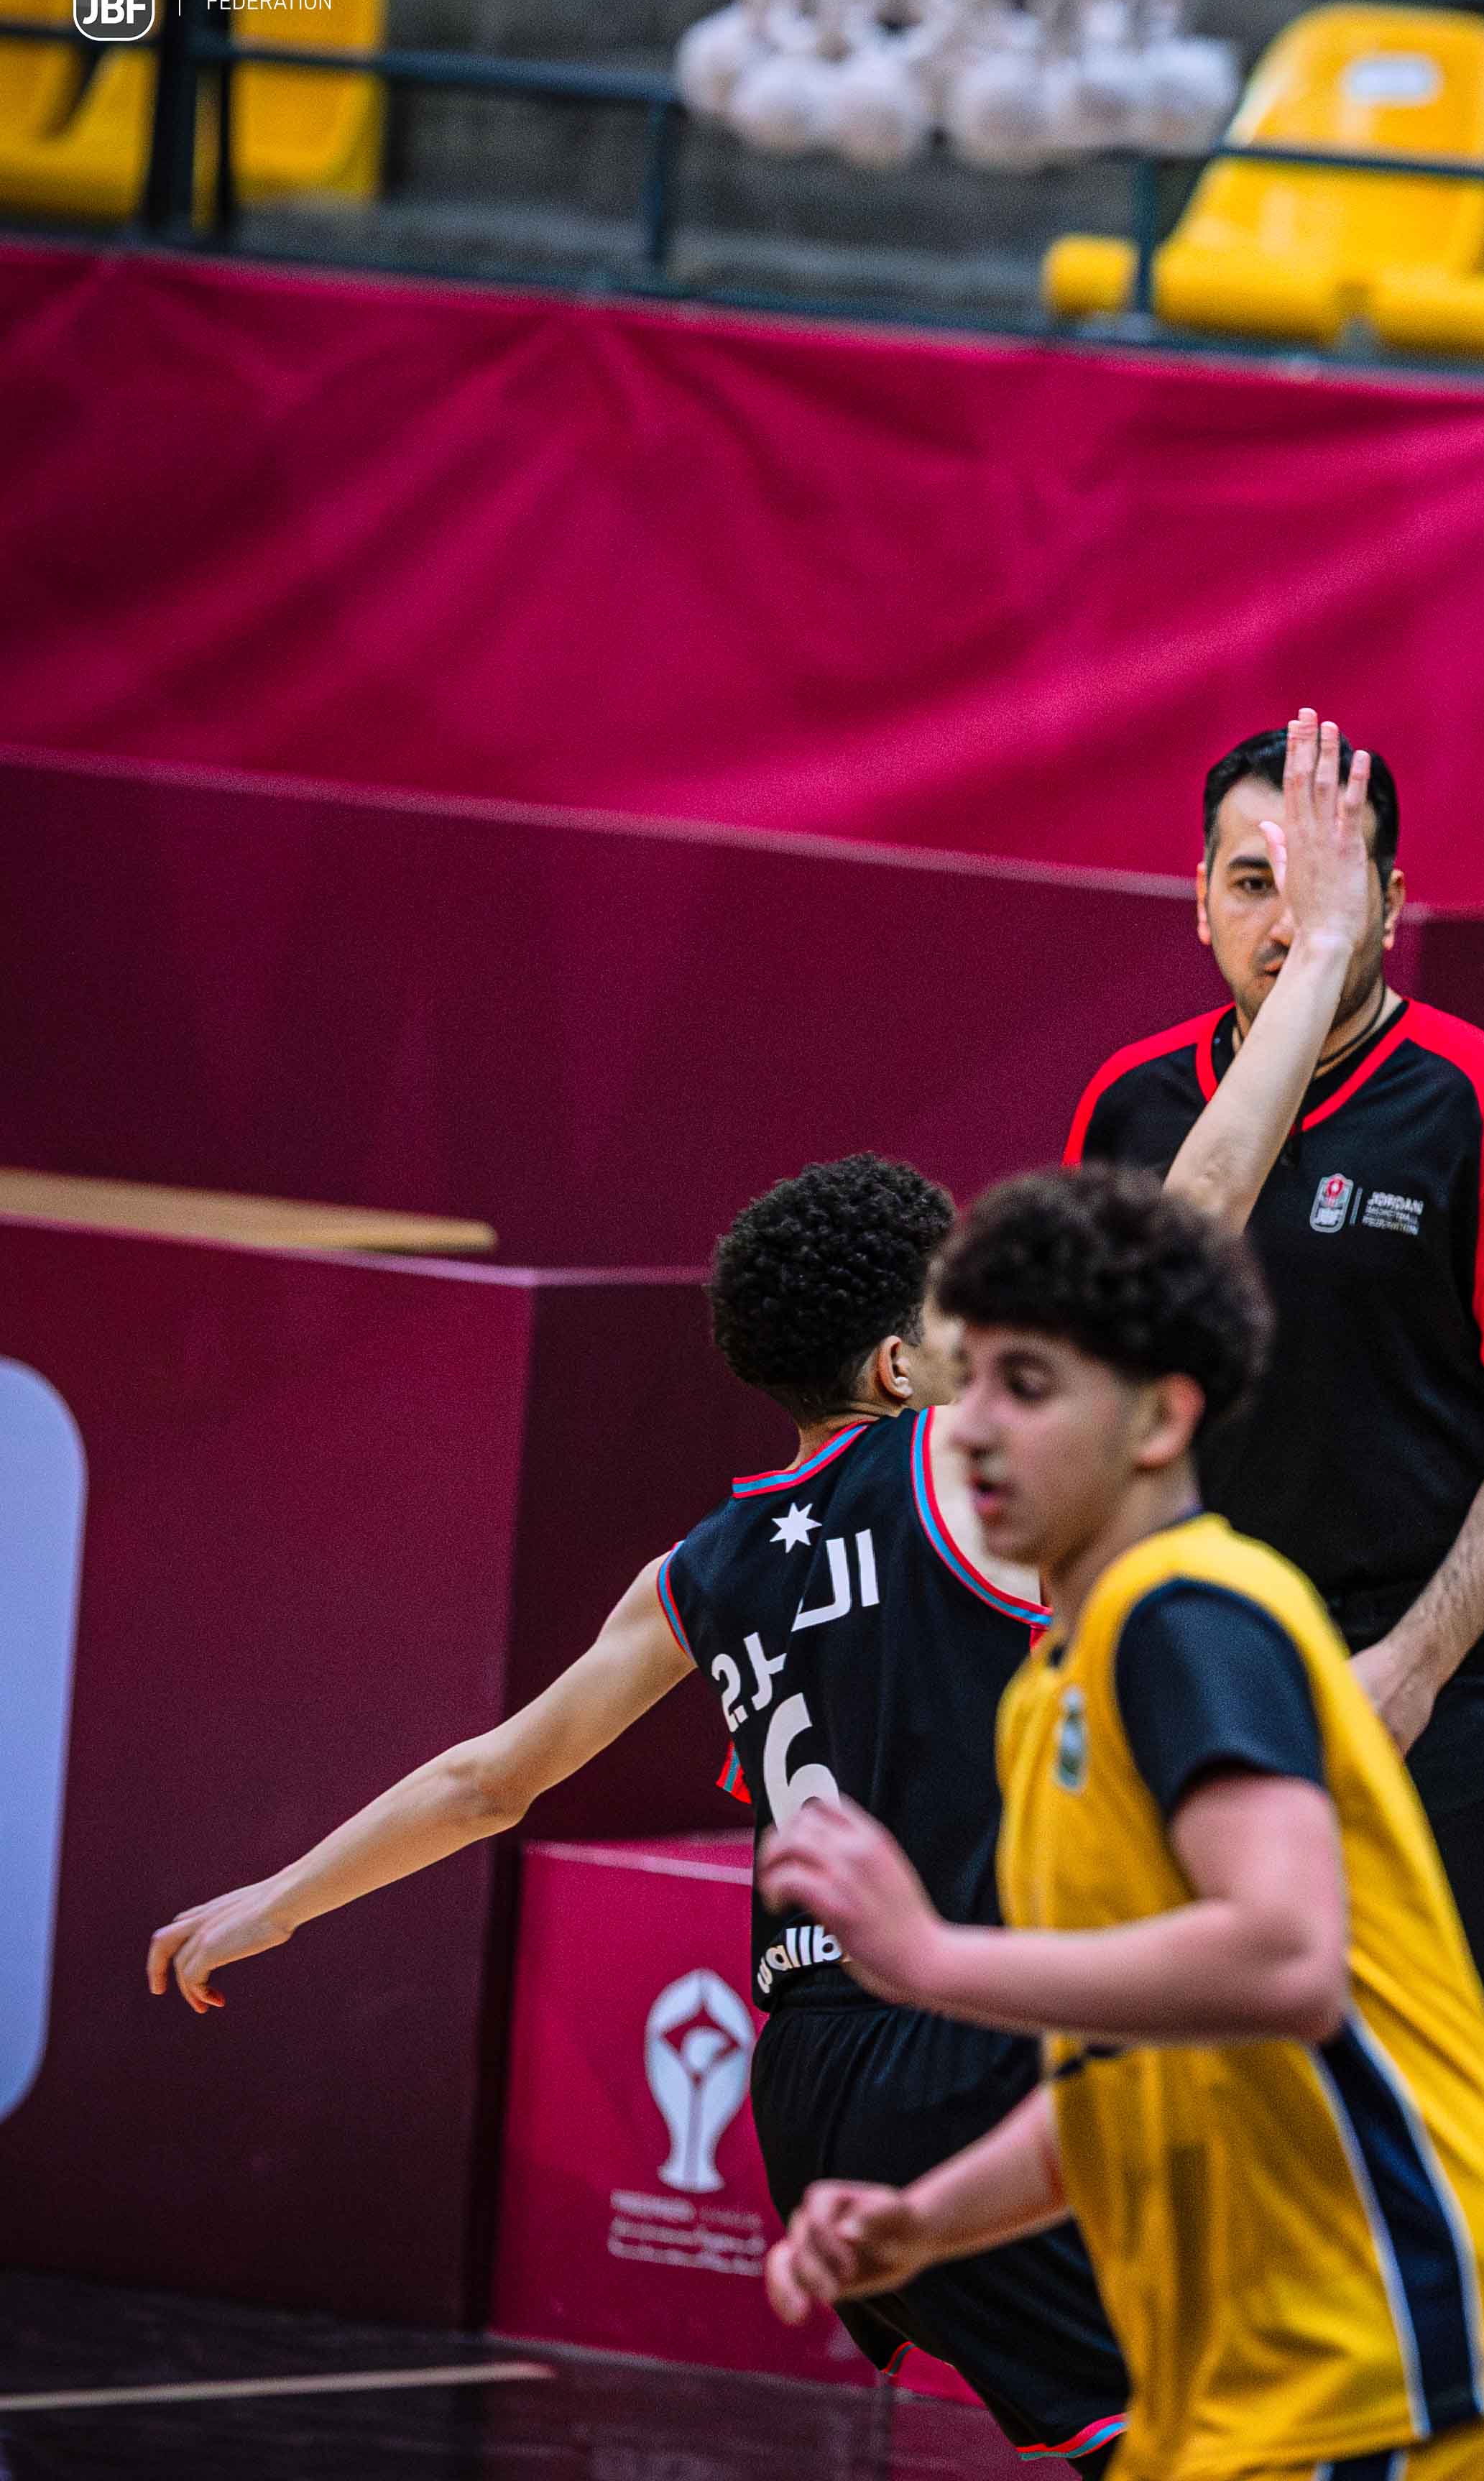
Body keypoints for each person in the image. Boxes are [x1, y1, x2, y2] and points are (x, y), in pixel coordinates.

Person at [146, 716, 1383, 2478]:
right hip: (970, 2052)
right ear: (900, 1366)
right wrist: (1317, 960)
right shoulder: (957, 1474)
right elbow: (1187, 1228)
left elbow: (491, 1778)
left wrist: (282, 1899)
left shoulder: (709, 1567)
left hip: (802, 2094)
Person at [754, 1164, 1484, 2481]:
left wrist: (933, 1958)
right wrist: (927, 2222)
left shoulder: (1192, 1610)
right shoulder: (1050, 1693)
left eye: (1029, 1387)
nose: (975, 1428)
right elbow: (1116, 2068)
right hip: (1251, 2377)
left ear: (1159, 1420)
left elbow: (1285, 1959)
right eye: (972, 1380)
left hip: (1394, 2352)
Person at [1064, 729, 1484, 2050]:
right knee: (1160, 2073)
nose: (1288, 917)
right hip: (1181, 1647)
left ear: (1389, 898)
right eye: (1254, 880)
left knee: (1417, 2097)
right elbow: (1096, 1388)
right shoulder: (1131, 1104)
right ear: (1200, 901)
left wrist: (1414, 1666)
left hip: (1415, 1676)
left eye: (1327, 880)